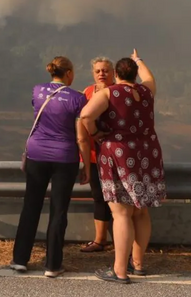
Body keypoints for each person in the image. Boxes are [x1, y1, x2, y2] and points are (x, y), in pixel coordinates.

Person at [79, 50, 165, 284]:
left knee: (121, 213)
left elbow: (86, 115)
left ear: (115, 74)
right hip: (148, 153)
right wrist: (139, 60)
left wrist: (96, 133)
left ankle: (119, 270)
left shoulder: (109, 92)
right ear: (135, 74)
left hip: (119, 153)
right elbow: (150, 78)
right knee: (142, 210)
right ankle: (137, 264)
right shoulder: (146, 92)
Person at [10, 56, 89, 278]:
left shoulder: (37, 90)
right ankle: (53, 265)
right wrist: (86, 166)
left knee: (31, 206)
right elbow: (82, 135)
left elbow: (39, 111)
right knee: (58, 211)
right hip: (65, 157)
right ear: (69, 73)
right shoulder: (78, 98)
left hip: (37, 153)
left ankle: (19, 260)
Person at [80, 57, 114, 253]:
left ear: (113, 73)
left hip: (115, 154)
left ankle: (121, 240)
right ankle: (99, 240)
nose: (102, 73)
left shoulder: (118, 92)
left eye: (105, 70)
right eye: (98, 71)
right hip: (93, 154)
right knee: (98, 196)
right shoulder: (87, 92)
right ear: (93, 74)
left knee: (118, 199)